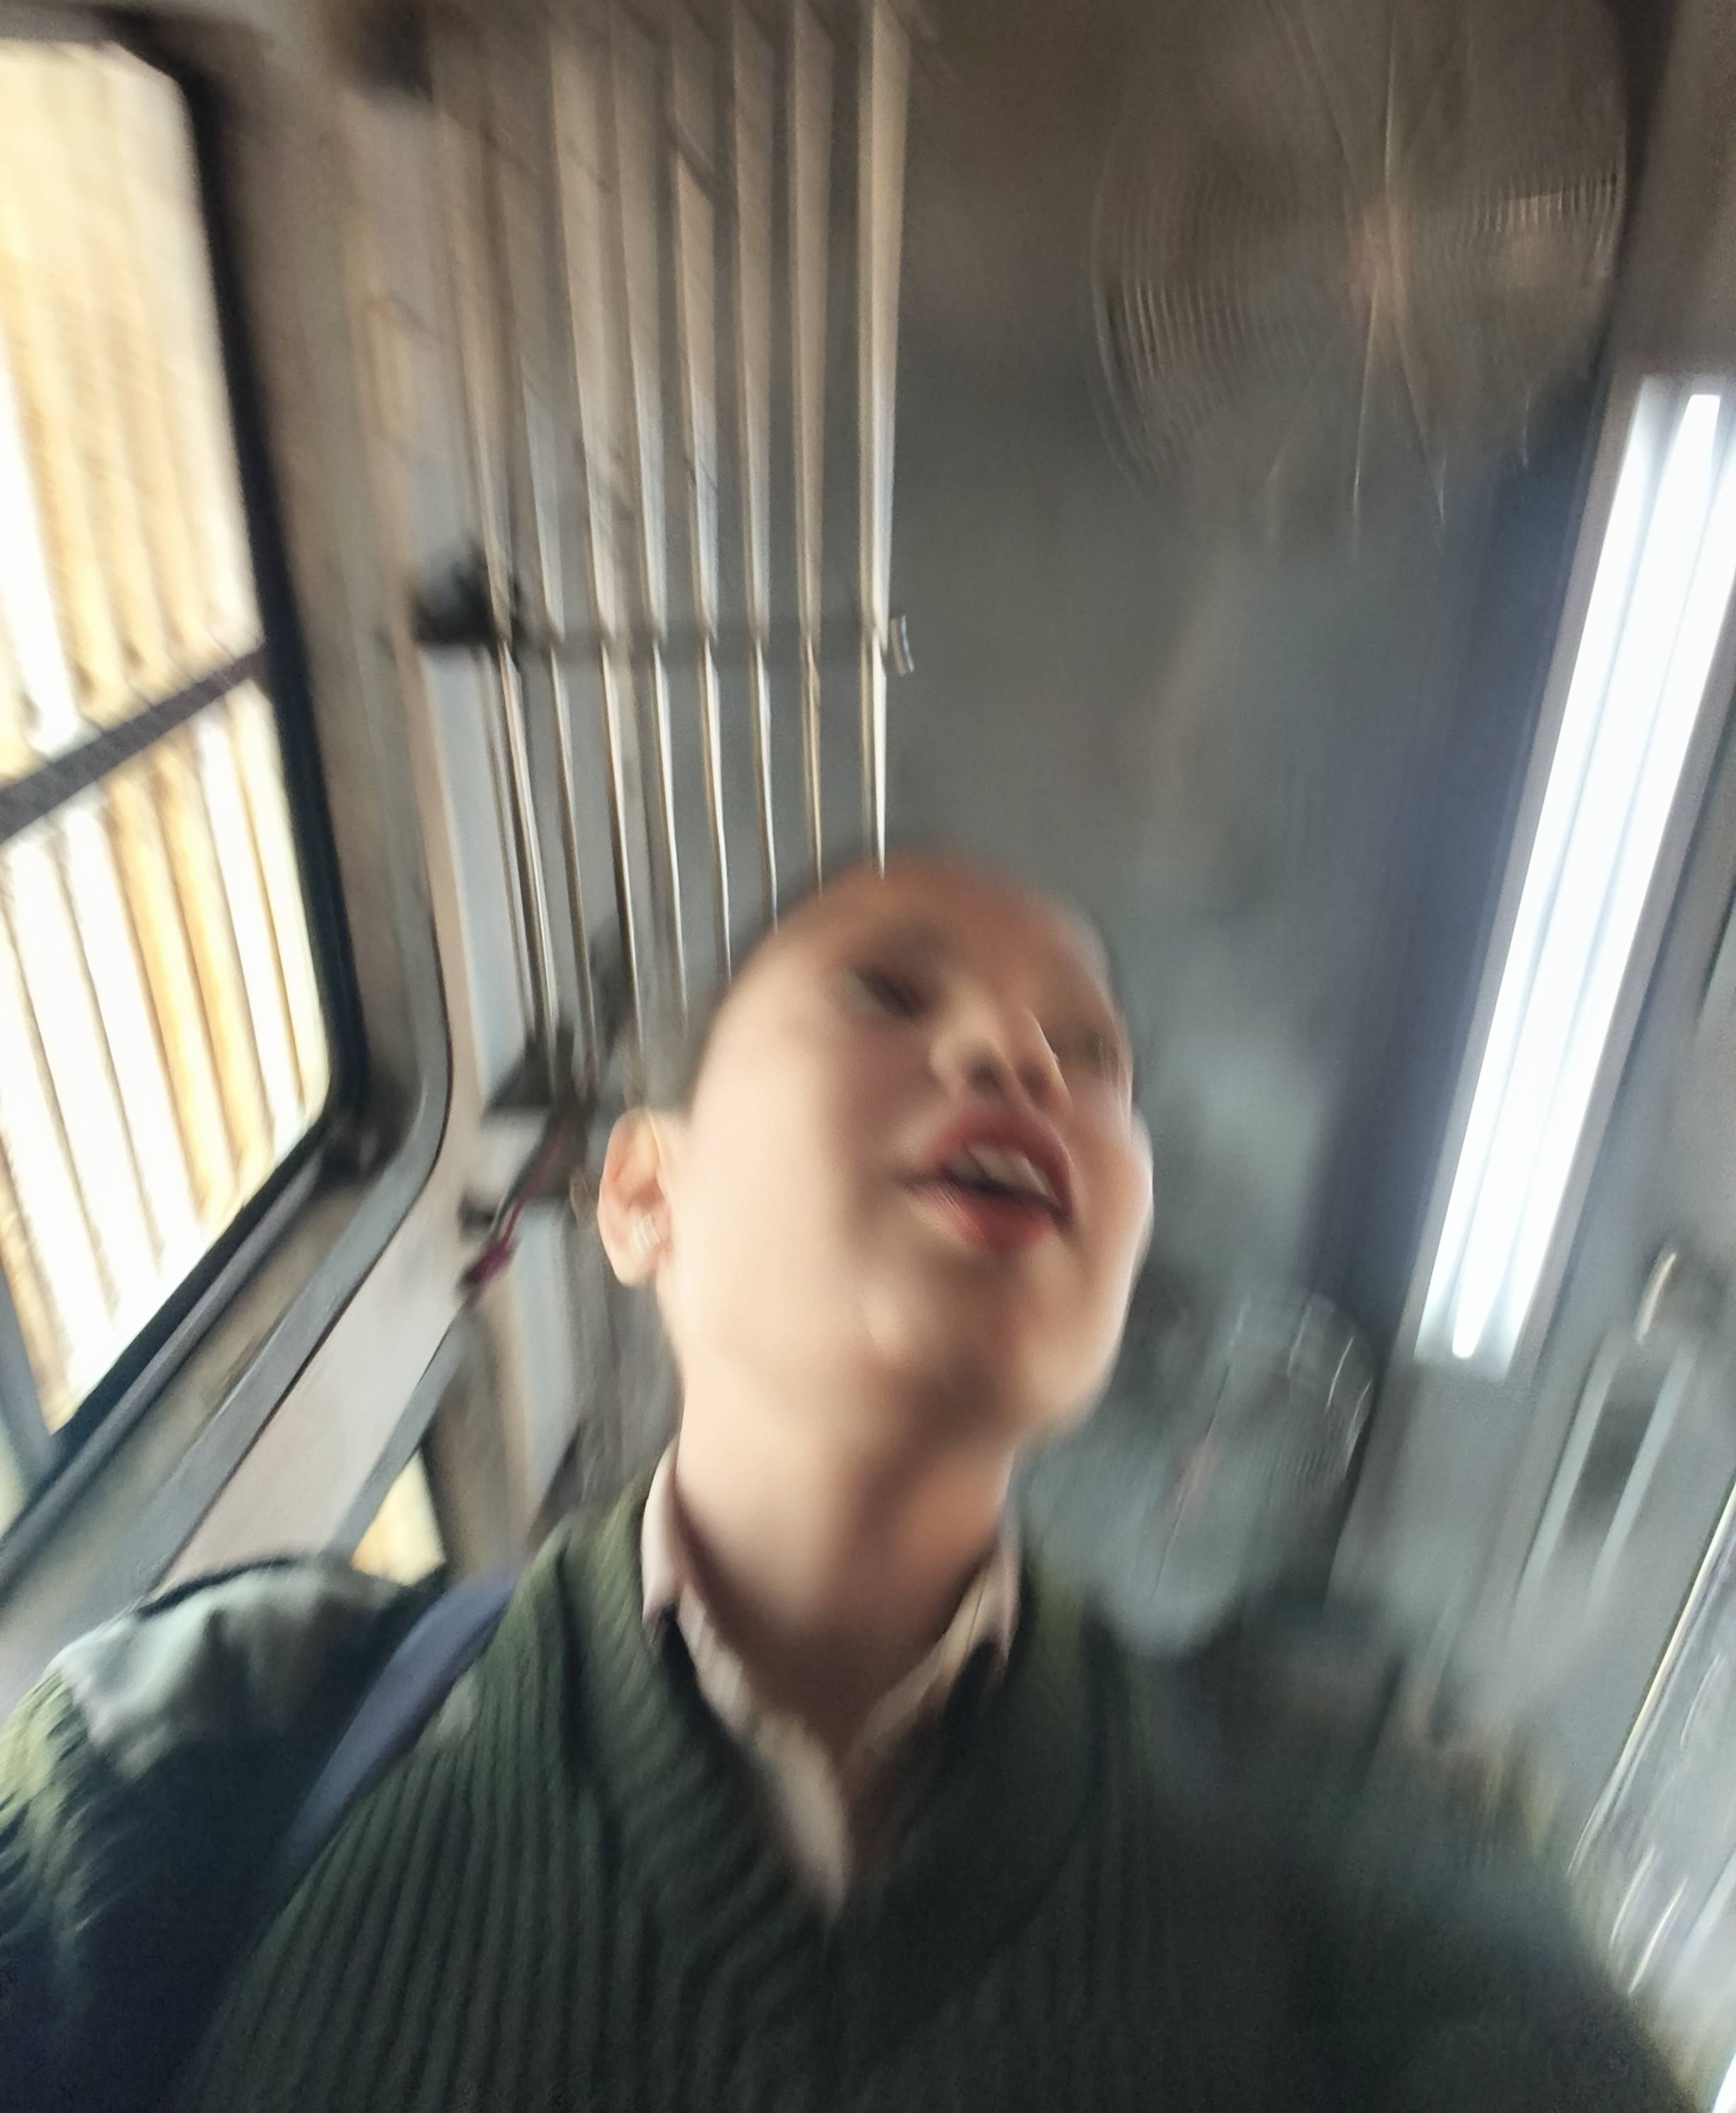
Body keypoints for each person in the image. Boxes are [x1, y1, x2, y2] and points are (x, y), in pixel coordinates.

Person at [0, 852, 1691, 2112]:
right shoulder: (214, 1732)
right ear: (644, 1193)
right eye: (887, 992)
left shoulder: (1345, 1788)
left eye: (1090, 1055)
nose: (1022, 1059)